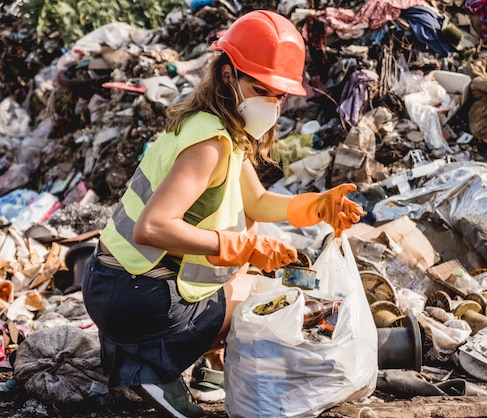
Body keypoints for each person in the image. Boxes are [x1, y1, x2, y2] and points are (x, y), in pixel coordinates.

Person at [81, 9, 363, 418]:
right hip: (134, 296)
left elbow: (257, 203)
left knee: (250, 271)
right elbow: (152, 226)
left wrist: (317, 206)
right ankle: (153, 370)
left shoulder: (218, 131)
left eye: (279, 94)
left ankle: (191, 366)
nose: (271, 102)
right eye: (261, 87)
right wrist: (239, 247)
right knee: (262, 301)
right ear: (228, 75)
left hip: (116, 286)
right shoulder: (209, 144)